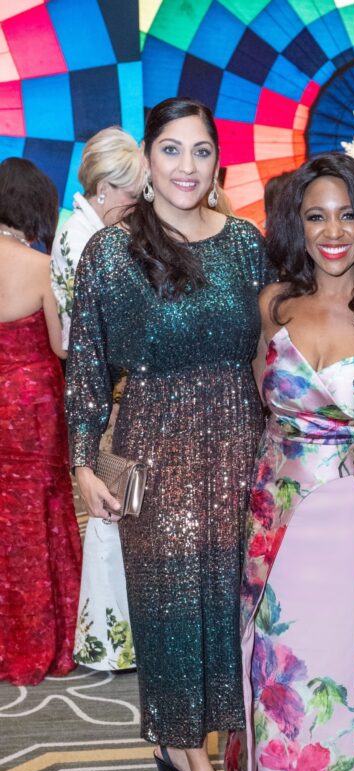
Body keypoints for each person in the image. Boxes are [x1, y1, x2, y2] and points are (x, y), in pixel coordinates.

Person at [65, 97, 272, 771]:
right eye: (171, 150)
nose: (187, 166)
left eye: (201, 151)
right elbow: (85, 366)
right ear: (146, 160)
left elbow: (266, 354)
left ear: (218, 161)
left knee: (230, 617)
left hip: (240, 451)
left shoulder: (247, 245)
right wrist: (85, 461)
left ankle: (202, 749)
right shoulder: (112, 254)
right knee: (174, 624)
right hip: (155, 454)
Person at [223, 153, 354, 771]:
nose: (333, 231)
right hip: (284, 510)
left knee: (349, 659)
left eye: (346, 214)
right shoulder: (271, 304)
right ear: (295, 226)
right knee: (278, 654)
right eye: (315, 215)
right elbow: (254, 396)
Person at [51, 126, 146, 672]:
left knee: (111, 513)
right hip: (107, 388)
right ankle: (113, 641)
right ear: (108, 186)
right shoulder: (86, 238)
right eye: (133, 190)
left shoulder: (78, 228)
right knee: (111, 510)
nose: (138, 201)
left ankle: (110, 638)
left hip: (103, 383)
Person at [0, 158, 82, 685]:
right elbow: (60, 344)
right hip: (33, 403)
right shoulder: (42, 266)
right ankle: (47, 640)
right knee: (43, 509)